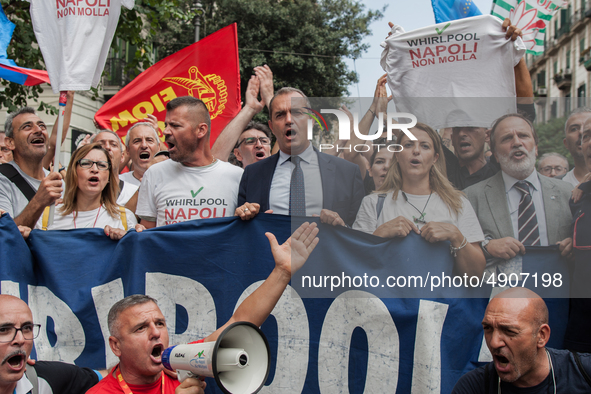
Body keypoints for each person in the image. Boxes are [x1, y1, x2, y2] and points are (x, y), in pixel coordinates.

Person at [86, 221, 319, 394]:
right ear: (116, 346)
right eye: (140, 328)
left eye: (160, 323)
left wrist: (282, 272)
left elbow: (241, 322)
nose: (155, 332)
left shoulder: (182, 361)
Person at [353, 122, 485, 276]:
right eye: (408, 145)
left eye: (425, 146)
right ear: (397, 154)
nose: (416, 151)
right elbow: (354, 265)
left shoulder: (458, 203)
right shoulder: (373, 203)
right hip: (389, 298)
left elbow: (475, 275)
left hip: (440, 299)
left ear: (435, 157)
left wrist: (455, 236)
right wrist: (379, 235)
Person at [237, 87, 364, 227]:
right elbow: (243, 230)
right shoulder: (252, 174)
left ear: (311, 121)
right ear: (272, 127)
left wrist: (342, 228)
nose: (289, 120)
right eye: (280, 115)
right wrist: (243, 217)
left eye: (297, 112)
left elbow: (359, 234)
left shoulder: (347, 173)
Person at [465, 114, 573, 265]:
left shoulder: (568, 192)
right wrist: (487, 246)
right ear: (495, 154)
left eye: (523, 135)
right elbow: (458, 248)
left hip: (557, 284)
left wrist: (575, 243)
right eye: (507, 138)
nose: (516, 142)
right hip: (502, 287)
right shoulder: (470, 197)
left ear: (536, 148)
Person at [452, 287, 591, 393]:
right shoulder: (473, 387)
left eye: (509, 331)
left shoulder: (584, 373)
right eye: (488, 328)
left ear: (541, 336)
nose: (494, 342)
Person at [136, 96, 243, 228]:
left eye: (175, 125)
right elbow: (147, 233)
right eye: (166, 125)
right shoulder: (154, 174)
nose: (165, 132)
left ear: (201, 130)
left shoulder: (237, 176)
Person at [0, 294, 103, 394]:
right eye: (4, 330)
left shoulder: (44, 378)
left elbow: (112, 375)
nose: (21, 339)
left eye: (27, 328)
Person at [46, 143, 136, 239]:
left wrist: (126, 240)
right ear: (73, 171)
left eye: (102, 165)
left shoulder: (125, 219)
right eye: (86, 163)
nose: (95, 169)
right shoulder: (48, 215)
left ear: (109, 176)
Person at [0, 108, 63, 228]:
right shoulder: (2, 181)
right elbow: (5, 236)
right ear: (10, 143)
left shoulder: (59, 183)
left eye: (42, 126)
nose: (39, 130)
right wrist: (39, 200)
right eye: (27, 127)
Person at [211, 65, 274, 165]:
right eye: (250, 141)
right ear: (238, 154)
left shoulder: (283, 174)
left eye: (264, 141)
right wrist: (250, 108)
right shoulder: (232, 178)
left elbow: (299, 133)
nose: (259, 145)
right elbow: (215, 159)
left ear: (270, 151)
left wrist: (271, 99)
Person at [90, 130, 137, 206]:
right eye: (100, 144)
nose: (107, 147)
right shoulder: (80, 192)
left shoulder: (133, 193)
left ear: (122, 157)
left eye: (113, 145)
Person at [119, 122, 161, 187]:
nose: (144, 145)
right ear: (127, 150)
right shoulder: (118, 183)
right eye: (137, 141)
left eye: (149, 140)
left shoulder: (171, 180)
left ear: (158, 148)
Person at [561, 108, 591, 188]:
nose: (581, 132)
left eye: (587, 129)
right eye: (574, 129)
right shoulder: (552, 187)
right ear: (566, 143)